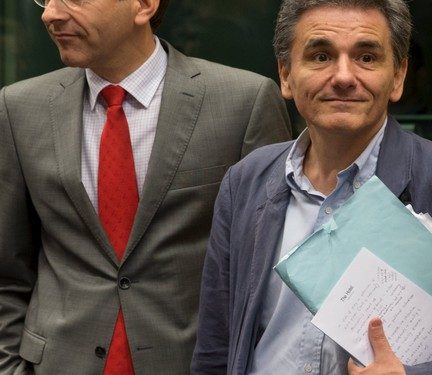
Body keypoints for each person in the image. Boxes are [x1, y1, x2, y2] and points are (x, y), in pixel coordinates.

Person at [190, 0, 432, 374]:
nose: (343, 76)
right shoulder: (246, 182)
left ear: (398, 77)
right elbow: (216, 348)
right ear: (286, 75)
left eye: (366, 58)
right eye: (321, 56)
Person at [0, 0, 291, 373]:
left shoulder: (243, 102)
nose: (50, 13)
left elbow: (267, 275)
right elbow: (8, 271)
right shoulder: (20, 107)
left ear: (144, 5)